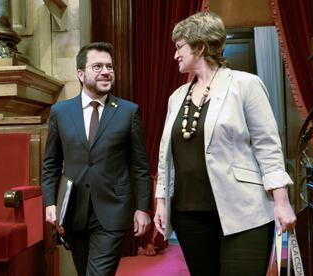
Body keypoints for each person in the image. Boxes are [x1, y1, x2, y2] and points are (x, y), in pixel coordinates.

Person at [153, 12, 296, 276]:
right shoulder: (176, 97)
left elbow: (268, 145)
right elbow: (166, 155)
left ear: (200, 45)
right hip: (189, 216)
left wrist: (282, 201)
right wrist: (161, 202)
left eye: (179, 47)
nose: (175, 55)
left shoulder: (245, 84)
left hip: (244, 213)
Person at [42, 42, 152, 276]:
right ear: (80, 74)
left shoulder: (128, 111)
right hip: (73, 213)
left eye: (110, 67)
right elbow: (51, 163)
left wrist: (143, 208)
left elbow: (140, 166)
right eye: (98, 66)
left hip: (113, 211)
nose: (106, 71)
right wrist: (50, 202)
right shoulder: (60, 112)